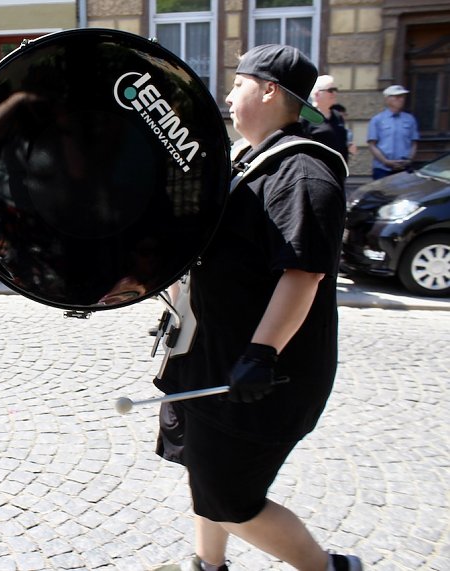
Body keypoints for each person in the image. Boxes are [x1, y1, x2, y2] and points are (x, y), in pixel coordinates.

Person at [153, 45, 360, 571]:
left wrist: (261, 353)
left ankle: (329, 569)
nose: (226, 94)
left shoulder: (303, 173)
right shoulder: (248, 159)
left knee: (231, 499)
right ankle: (207, 564)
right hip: (208, 359)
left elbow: (303, 272)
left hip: (259, 379)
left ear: (268, 91)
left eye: (238, 83)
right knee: (204, 473)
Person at [367, 85, 419, 179]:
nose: (401, 100)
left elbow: (414, 143)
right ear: (387, 99)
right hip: (382, 169)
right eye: (397, 97)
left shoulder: (409, 119)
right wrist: (385, 161)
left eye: (402, 97)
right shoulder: (377, 120)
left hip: (404, 168)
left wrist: (409, 159)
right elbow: (372, 144)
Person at [301, 75, 350, 161]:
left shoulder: (338, 116)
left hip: (338, 170)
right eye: (330, 90)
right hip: (318, 169)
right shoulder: (307, 117)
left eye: (335, 90)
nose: (334, 94)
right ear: (317, 94)